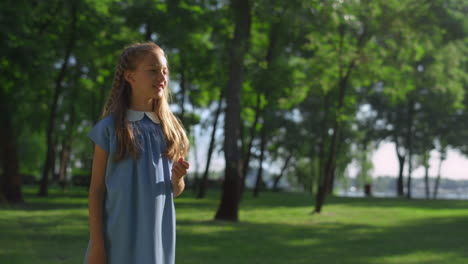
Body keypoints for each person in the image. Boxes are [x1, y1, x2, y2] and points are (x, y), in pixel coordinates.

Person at [83, 42, 190, 264]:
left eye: (164, 71)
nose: (161, 77)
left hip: (156, 243)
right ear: (130, 77)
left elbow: (175, 191)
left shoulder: (170, 131)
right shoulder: (109, 129)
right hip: (117, 239)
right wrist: (97, 245)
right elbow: (96, 191)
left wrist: (177, 179)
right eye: (152, 70)